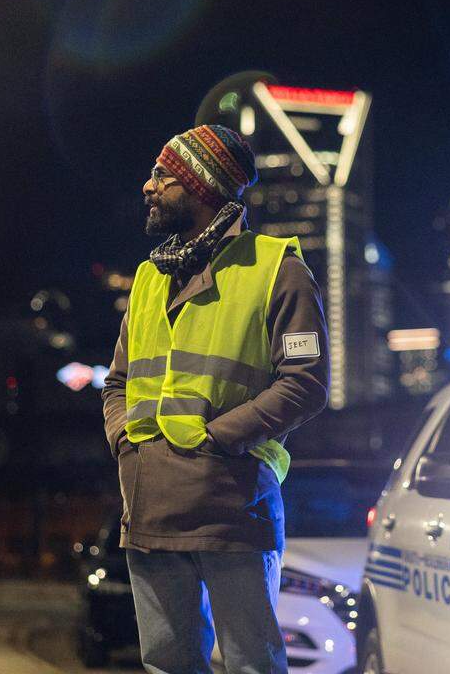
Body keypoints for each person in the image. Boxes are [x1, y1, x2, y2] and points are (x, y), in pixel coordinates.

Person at [101, 124, 329, 674]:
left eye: (163, 175)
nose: (148, 187)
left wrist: (216, 441)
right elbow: (117, 382)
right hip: (149, 506)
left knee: (252, 663)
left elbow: (305, 384)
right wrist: (125, 443)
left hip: (233, 506)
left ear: (201, 187)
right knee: (166, 664)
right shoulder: (149, 278)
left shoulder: (278, 269)